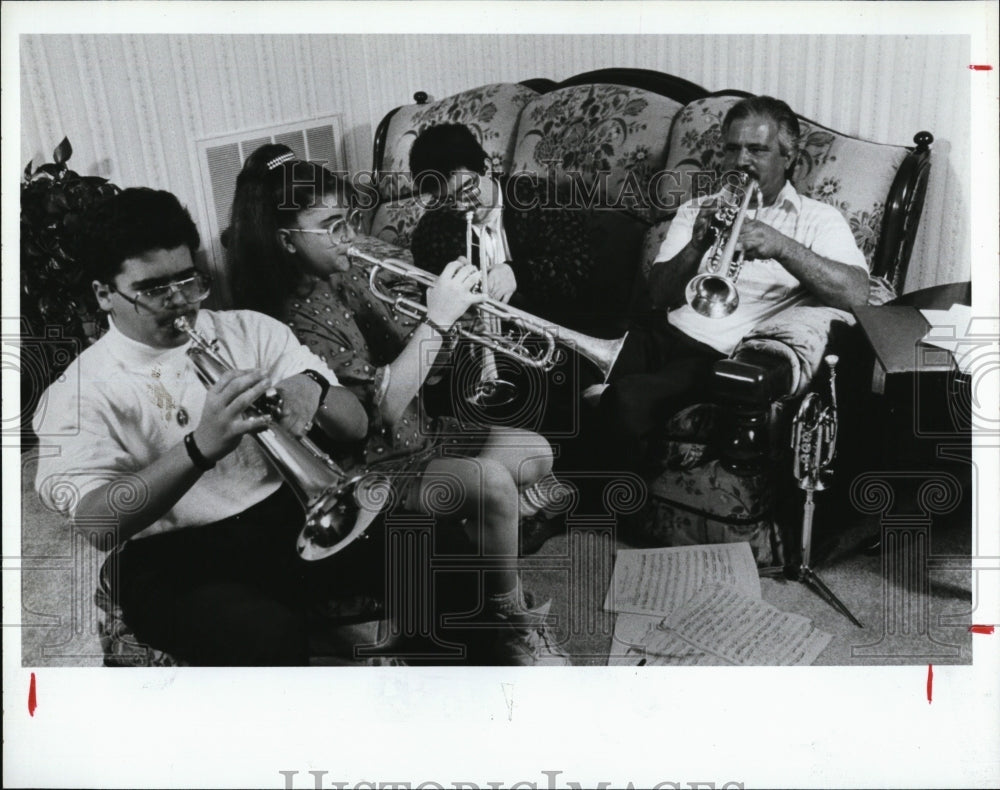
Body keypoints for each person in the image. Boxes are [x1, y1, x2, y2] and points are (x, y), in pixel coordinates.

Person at [226, 143, 571, 665]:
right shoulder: (286, 319)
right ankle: (509, 619)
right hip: (368, 465)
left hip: (419, 431)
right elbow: (373, 415)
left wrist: (455, 316)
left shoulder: (346, 276)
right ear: (287, 240)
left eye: (350, 219)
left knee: (537, 452)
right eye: (333, 225)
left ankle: (484, 540)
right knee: (496, 485)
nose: (350, 236)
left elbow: (419, 362)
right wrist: (437, 321)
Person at [32, 187, 372, 666]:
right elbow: (97, 524)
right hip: (172, 558)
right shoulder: (77, 393)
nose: (180, 302)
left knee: (427, 549)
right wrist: (200, 447)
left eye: (189, 279)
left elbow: (356, 428)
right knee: (265, 636)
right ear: (104, 294)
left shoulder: (249, 330)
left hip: (286, 515)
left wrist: (313, 385)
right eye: (154, 289)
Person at [594, 95, 869, 473]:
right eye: (732, 149)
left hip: (717, 354)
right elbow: (658, 294)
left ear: (788, 157)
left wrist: (781, 246)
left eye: (757, 149)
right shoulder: (698, 209)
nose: (741, 161)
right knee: (562, 372)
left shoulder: (818, 220)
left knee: (627, 400)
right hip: (659, 333)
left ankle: (569, 505)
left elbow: (856, 293)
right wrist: (697, 243)